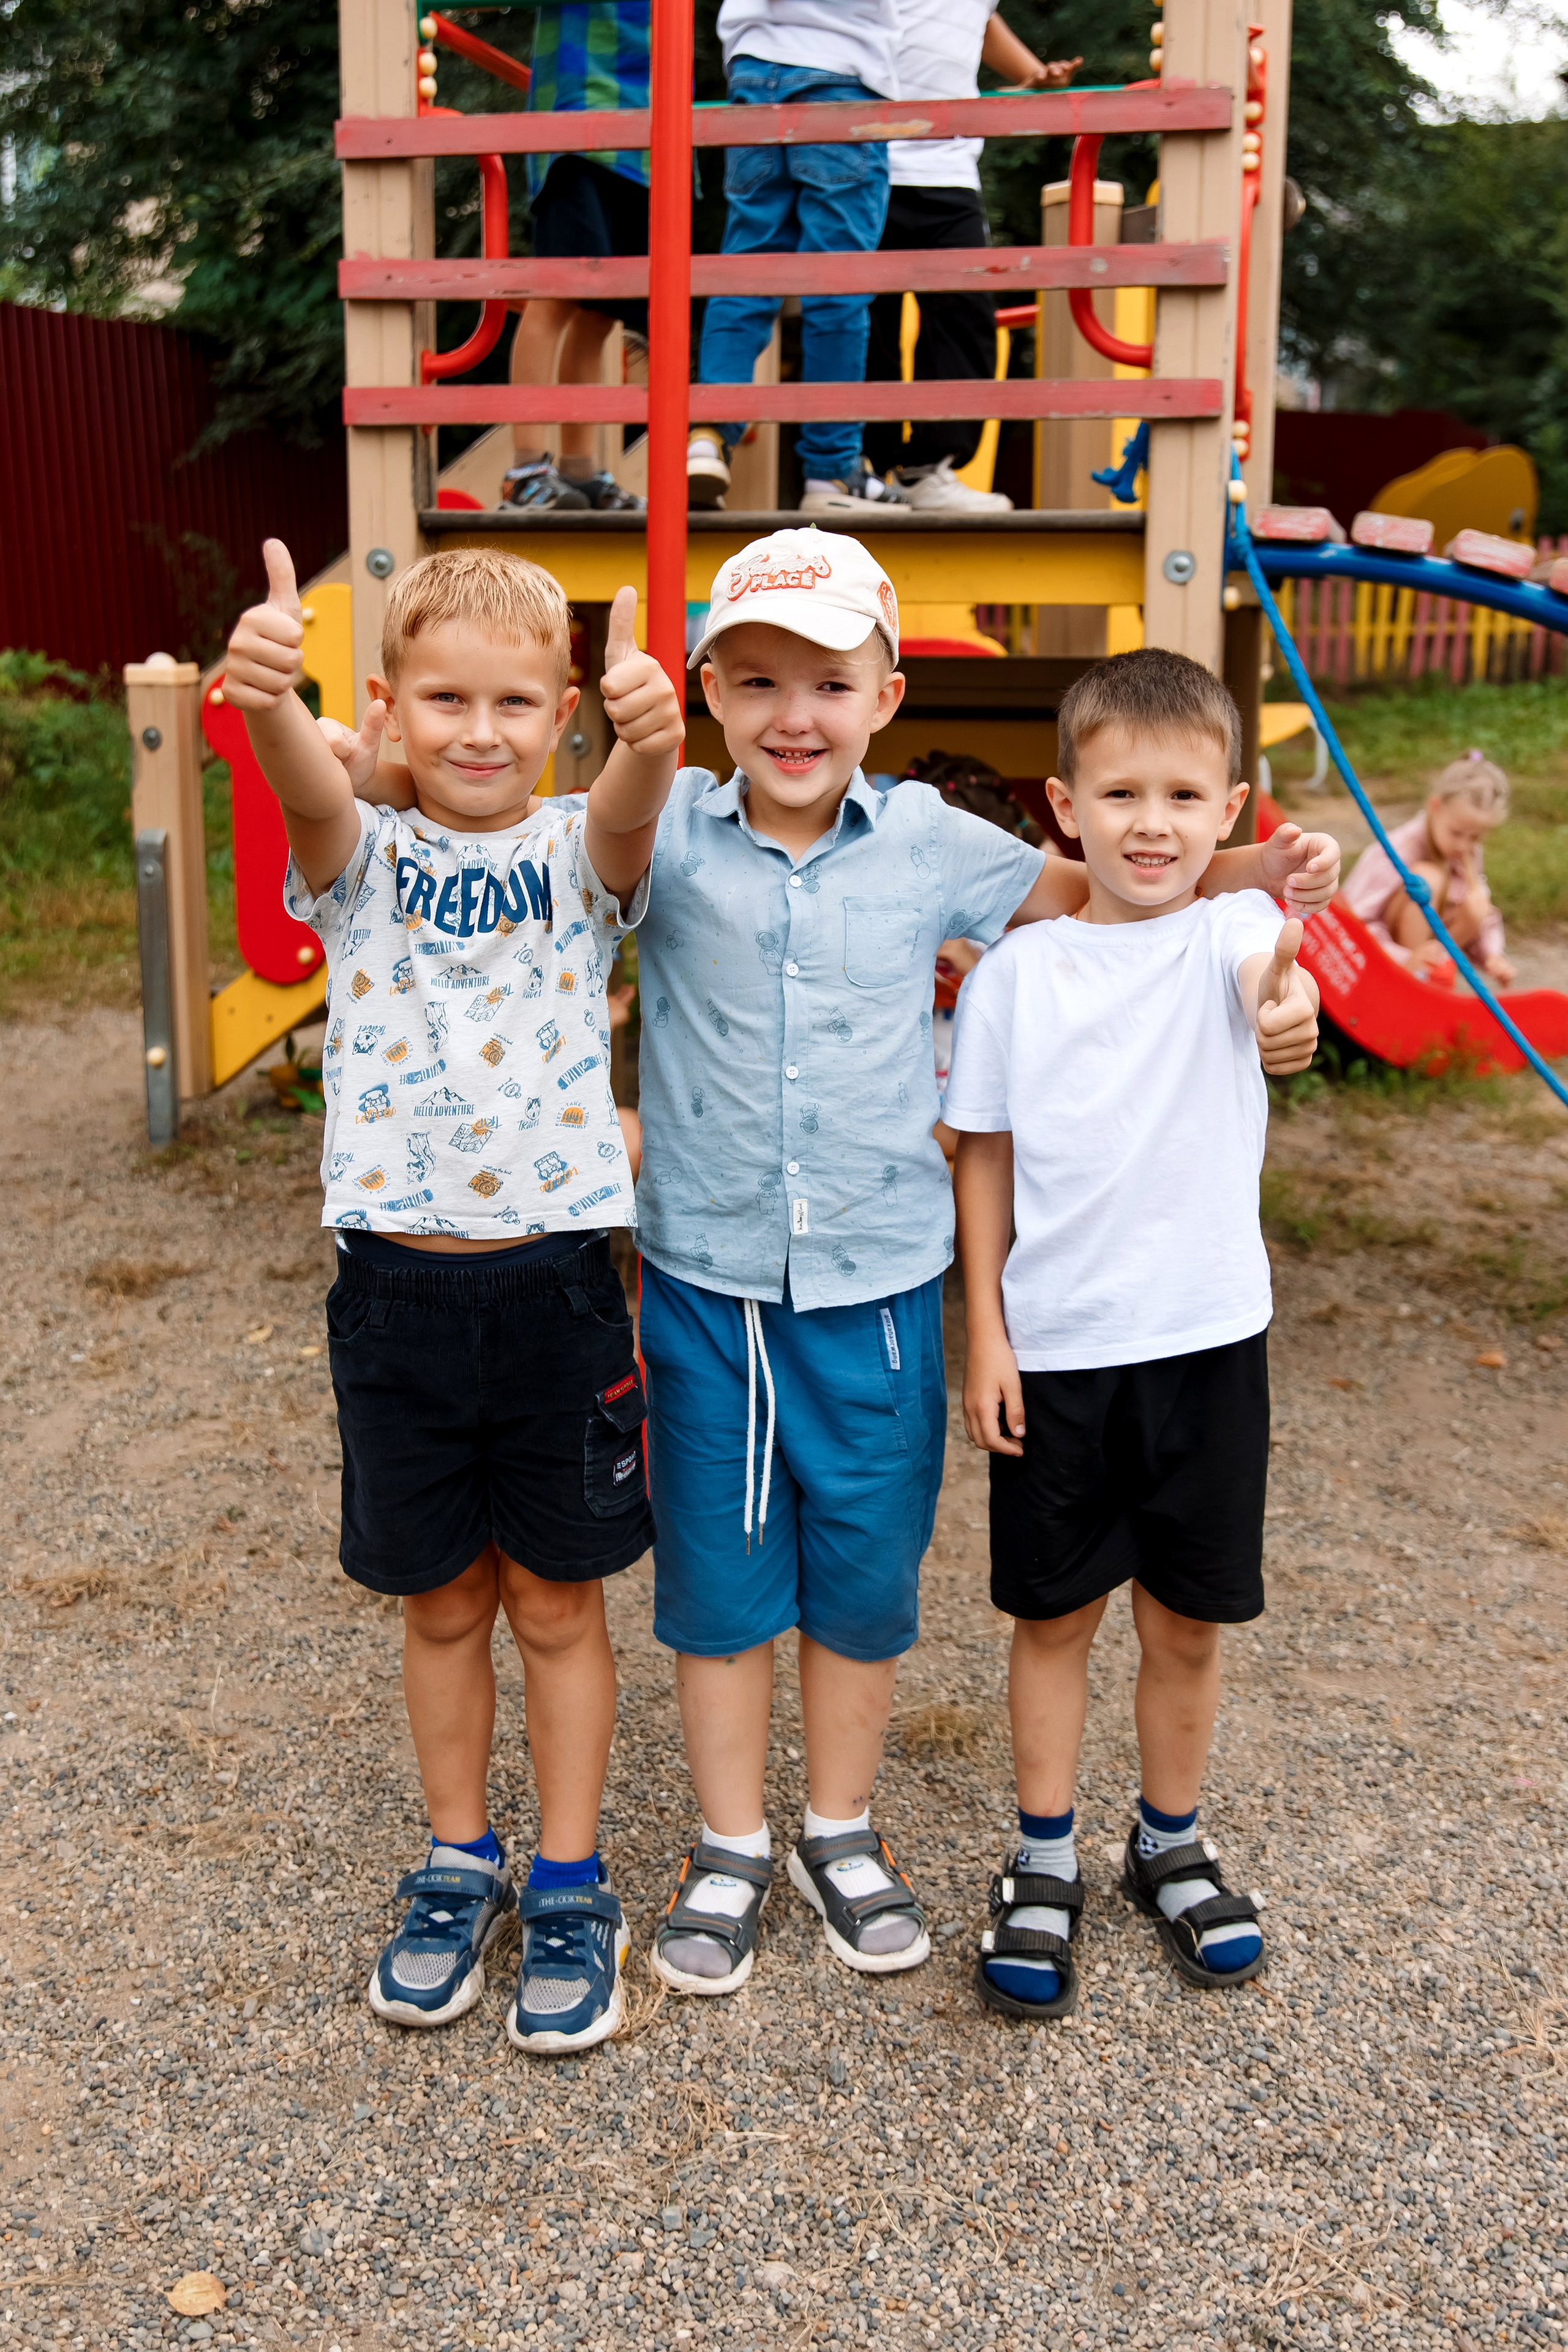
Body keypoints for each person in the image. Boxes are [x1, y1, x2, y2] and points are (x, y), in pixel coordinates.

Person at [616, 530, 1343, 1997]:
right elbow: (593, 842)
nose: (794, 714)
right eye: (754, 681)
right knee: (715, 1574)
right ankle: (728, 1839)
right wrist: (630, 746)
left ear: (886, 691)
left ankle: (839, 1824)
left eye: (830, 679)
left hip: (882, 1275)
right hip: (706, 1273)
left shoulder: (941, 846)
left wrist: (1257, 868)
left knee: (866, 1576)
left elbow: (1096, 888)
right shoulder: (670, 829)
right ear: (706, 693)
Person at [221, 545, 684, 2054]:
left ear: (555, 714)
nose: (479, 730)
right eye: (444, 700)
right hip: (395, 1296)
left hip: (555, 1291)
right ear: (391, 711)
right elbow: (300, 785)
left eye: (511, 702)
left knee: (555, 1598)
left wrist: (648, 735)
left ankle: (566, 1878)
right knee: (441, 1601)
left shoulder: (574, 848)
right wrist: (270, 694)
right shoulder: (356, 856)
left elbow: (629, 808)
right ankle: (453, 1859)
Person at [945, 648, 1321, 2021]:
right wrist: (981, 1332)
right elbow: (975, 1158)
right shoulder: (1015, 978)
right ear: (1064, 805)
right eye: (1119, 793)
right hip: (1053, 1348)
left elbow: (1276, 1000)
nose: (1149, 823)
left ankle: (1166, 1837)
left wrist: (1290, 1008)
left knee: (1186, 1621)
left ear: (1226, 810)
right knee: (1054, 1618)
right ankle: (1040, 1855)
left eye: (1180, 794)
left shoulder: (1229, 938)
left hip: (1208, 1343)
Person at [687, 0, 911, 514]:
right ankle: (830, 474)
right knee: (837, 285)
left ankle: (705, 438)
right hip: (840, 67)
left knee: (746, 271)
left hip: (753, 72)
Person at [864, 6, 1082, 513]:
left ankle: (927, 469)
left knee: (965, 314)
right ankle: (867, 468)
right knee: (869, 317)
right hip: (870, 160)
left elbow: (980, 25)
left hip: (950, 173)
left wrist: (1035, 74)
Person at [503, 1, 650, 513]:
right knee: (560, 293)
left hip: (649, 136)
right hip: (581, 118)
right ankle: (525, 468)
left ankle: (579, 471)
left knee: (603, 313)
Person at [1340, 750, 1515, 987]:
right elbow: (1356, 922)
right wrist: (1404, 959)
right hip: (1378, 961)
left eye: (1476, 837)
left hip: (1429, 951)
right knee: (1427, 880)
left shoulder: (1466, 853)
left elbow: (1484, 914)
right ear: (1435, 807)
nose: (1464, 845)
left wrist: (1492, 956)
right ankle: (1413, 983)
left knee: (1478, 905)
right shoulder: (1397, 851)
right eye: (1456, 833)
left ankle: (1433, 978)